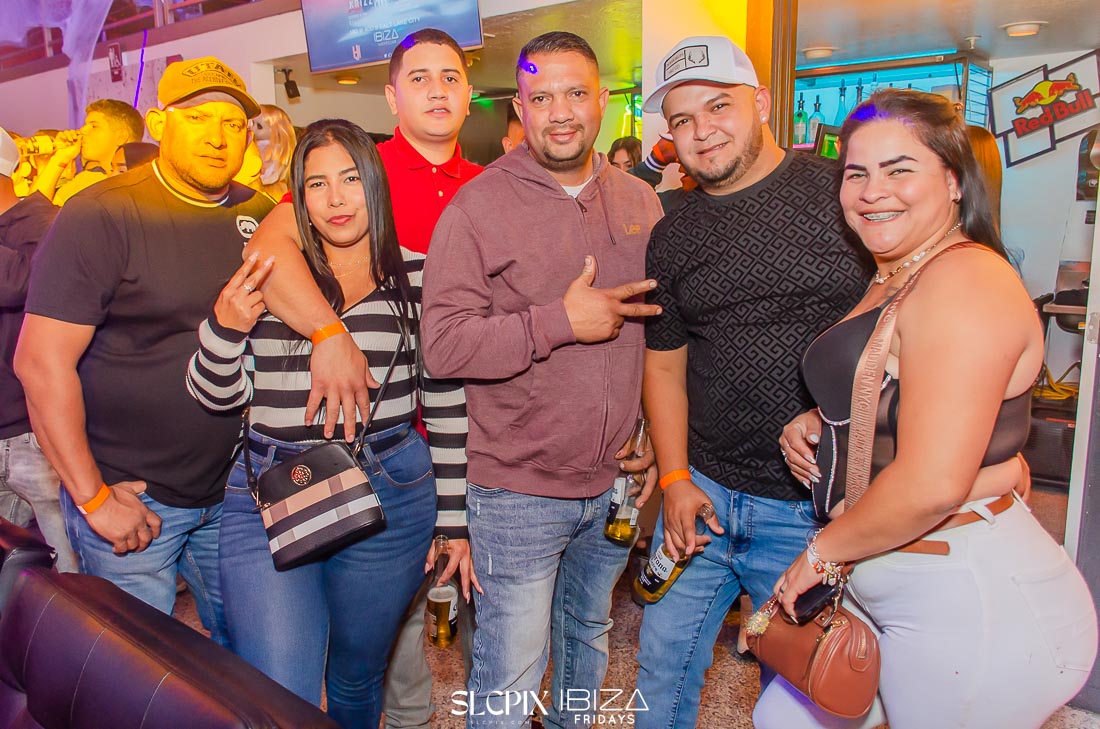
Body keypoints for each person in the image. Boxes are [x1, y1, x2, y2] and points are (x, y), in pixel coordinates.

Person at [757, 88, 1098, 729]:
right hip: (890, 577)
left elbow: (934, 481)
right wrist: (827, 419)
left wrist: (820, 553)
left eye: (899, 170)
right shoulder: (897, 270)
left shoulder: (964, 279)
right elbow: (899, 382)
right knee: (782, 718)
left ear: (953, 182)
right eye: (856, 173)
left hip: (970, 596)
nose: (872, 191)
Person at [185, 118, 470, 729]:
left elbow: (446, 404)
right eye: (317, 184)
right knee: (277, 688)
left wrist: (454, 519)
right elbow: (213, 396)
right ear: (298, 197)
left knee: (357, 675)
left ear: (376, 184)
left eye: (350, 179)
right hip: (271, 489)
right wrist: (225, 330)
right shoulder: (269, 274)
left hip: (390, 491)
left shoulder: (420, 276)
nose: (336, 199)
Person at [420, 31, 663, 729]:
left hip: (615, 483)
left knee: (588, 640)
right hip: (517, 490)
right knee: (510, 672)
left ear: (604, 101)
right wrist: (558, 321)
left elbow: (659, 333)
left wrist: (652, 427)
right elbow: (443, 345)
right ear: (519, 109)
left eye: (576, 93)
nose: (560, 112)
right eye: (542, 97)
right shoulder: (476, 207)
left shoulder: (642, 202)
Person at [242, 28, 482, 729]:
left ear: (470, 91)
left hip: (422, 460)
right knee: (295, 671)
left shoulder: (493, 187)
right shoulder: (354, 166)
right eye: (419, 77)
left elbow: (448, 382)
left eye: (450, 76)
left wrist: (452, 511)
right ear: (391, 94)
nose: (436, 90)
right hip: (315, 458)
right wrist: (329, 333)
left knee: (378, 656)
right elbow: (269, 248)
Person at [632, 36, 870, 729]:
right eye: (682, 119)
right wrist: (675, 477)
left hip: (810, 512)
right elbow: (664, 363)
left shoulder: (842, 194)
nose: (701, 130)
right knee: (660, 671)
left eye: (719, 106)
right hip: (702, 498)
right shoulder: (673, 232)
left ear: (761, 103)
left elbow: (906, 315)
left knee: (801, 696)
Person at [14, 56, 273, 644]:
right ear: (158, 123)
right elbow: (40, 363)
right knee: (139, 668)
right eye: (198, 117)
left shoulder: (256, 213)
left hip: (234, 491)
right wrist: (93, 498)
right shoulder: (102, 213)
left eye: (233, 124)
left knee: (244, 659)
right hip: (135, 500)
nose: (218, 137)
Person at [0, 128, 77, 571]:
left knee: (70, 570)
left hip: (30, 429)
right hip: (9, 425)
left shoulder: (42, 224)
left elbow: (19, 285)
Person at [34, 98, 144, 205]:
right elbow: (32, 208)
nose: (82, 131)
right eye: (85, 125)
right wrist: (61, 156)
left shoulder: (138, 186)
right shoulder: (87, 179)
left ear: (121, 137)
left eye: (94, 126)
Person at [252, 103, 296, 199]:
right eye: (252, 123)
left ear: (276, 131)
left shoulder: (275, 150)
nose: (252, 128)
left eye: (259, 126)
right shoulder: (253, 145)